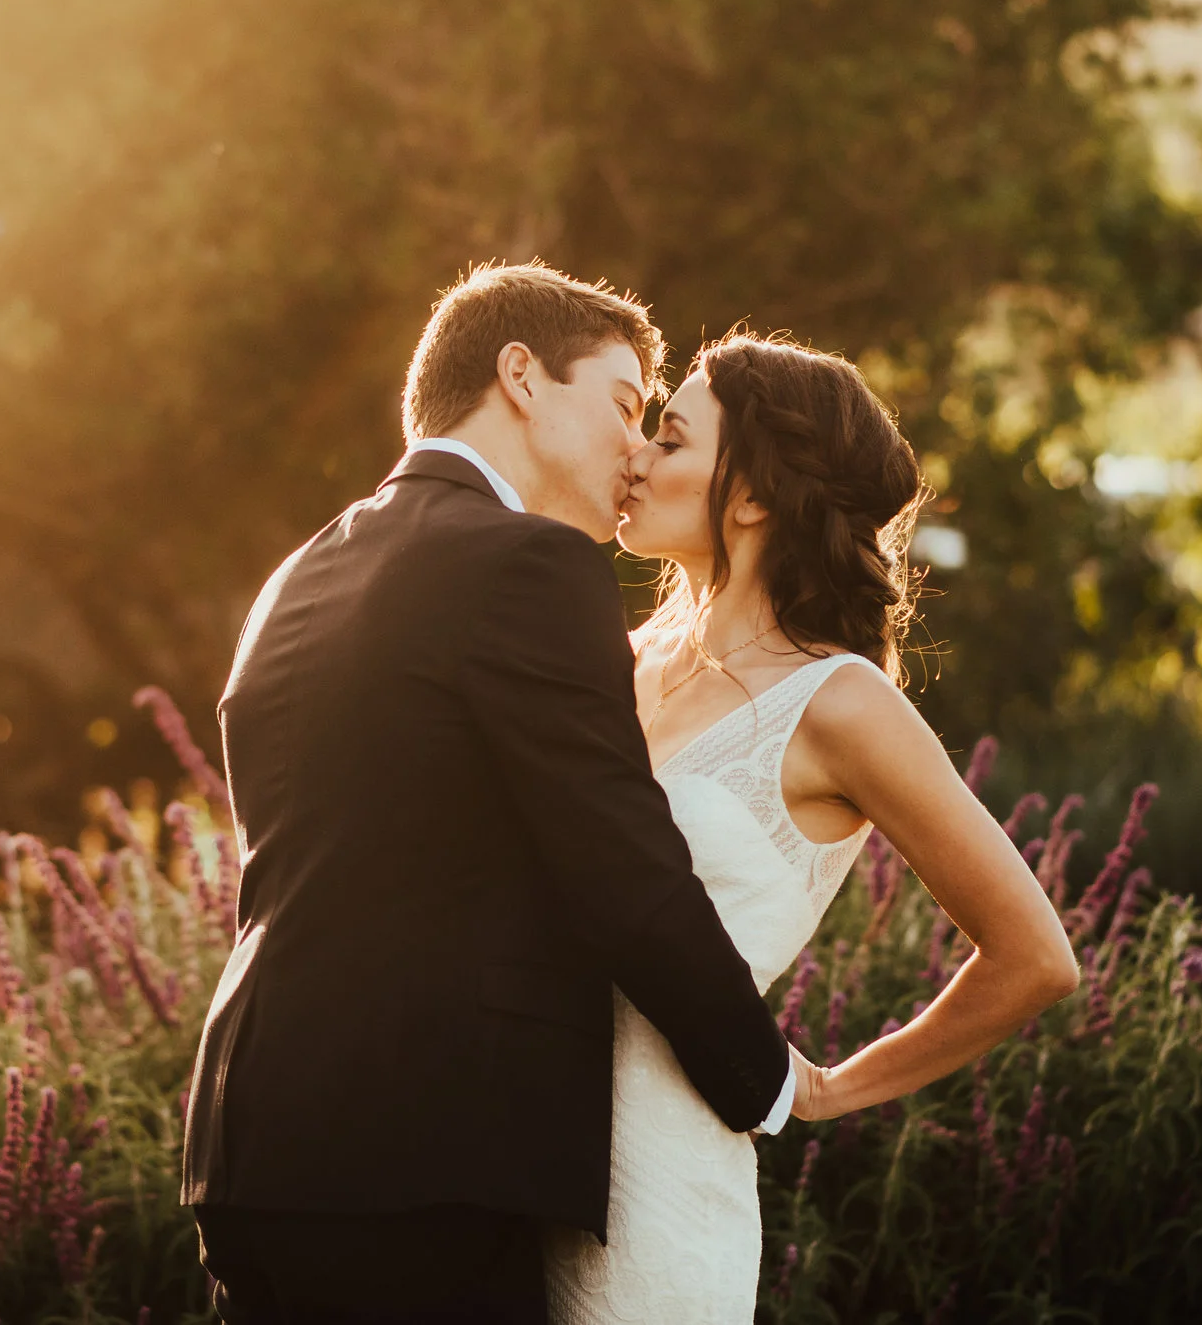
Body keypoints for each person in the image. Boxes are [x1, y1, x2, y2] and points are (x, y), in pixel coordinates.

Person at [180, 264, 797, 1323]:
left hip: (248, 1146)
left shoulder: (302, 573)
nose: (634, 449)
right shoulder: (525, 565)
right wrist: (768, 1079)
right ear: (520, 377)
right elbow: (620, 863)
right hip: (417, 1160)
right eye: (619, 403)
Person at [543, 332, 1080, 1323]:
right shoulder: (614, 661)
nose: (636, 458)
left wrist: (828, 1090)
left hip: (658, 1199)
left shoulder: (837, 702)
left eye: (668, 437)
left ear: (747, 496)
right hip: (518, 1173)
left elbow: (1033, 957)